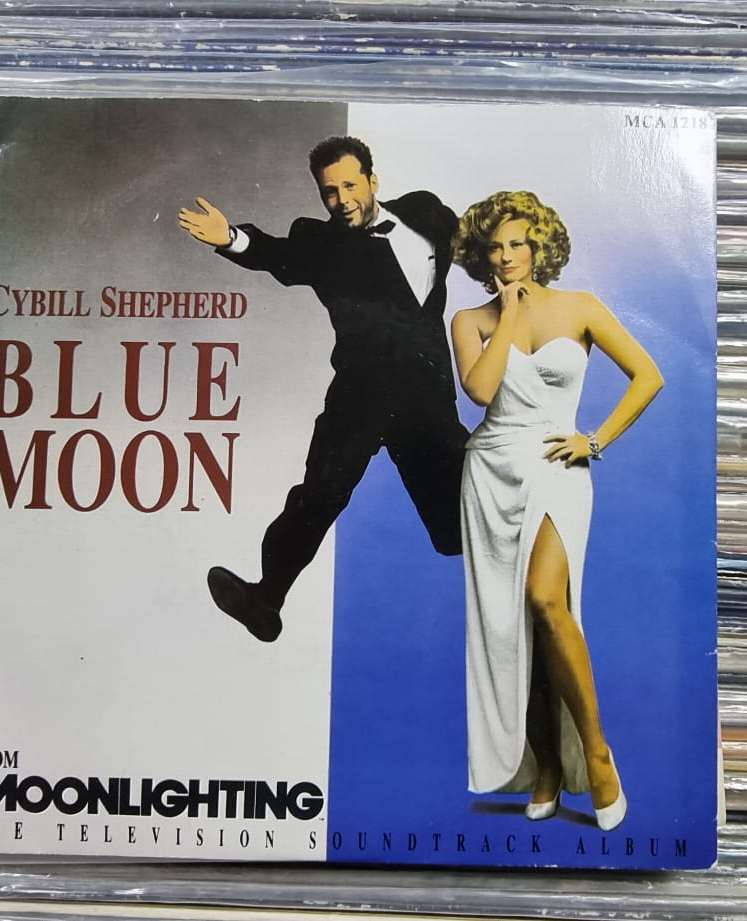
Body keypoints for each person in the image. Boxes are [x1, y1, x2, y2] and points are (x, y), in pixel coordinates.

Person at [179, 137, 469, 643]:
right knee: (319, 494)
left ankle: (528, 589)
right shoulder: (320, 242)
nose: (342, 200)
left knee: (456, 526)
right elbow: (277, 254)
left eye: (350, 186)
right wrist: (231, 238)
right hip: (359, 398)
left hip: (426, 398)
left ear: (373, 181)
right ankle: (265, 598)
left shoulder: (425, 213)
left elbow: (478, 244)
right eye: (329, 192)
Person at [449, 190, 663, 832]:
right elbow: (480, 390)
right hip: (491, 474)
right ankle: (544, 764)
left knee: (547, 601)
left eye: (517, 243)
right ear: (481, 255)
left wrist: (593, 440)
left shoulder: (581, 306)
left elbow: (648, 375)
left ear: (538, 246)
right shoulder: (470, 320)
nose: (506, 256)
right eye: (495, 247)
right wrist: (510, 311)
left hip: (555, 468)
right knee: (511, 629)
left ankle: (597, 757)